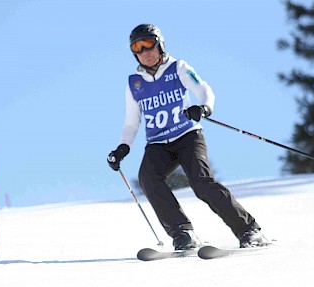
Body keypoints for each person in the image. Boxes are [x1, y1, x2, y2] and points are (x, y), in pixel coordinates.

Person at [107, 24, 268, 250]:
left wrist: (203, 108)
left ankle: (249, 230)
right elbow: (132, 122)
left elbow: (204, 90)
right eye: (137, 47)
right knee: (148, 178)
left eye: (148, 44)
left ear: (160, 44)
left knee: (201, 182)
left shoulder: (178, 67)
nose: (145, 51)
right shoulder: (134, 83)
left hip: (187, 135)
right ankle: (183, 233)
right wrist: (122, 148)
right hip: (158, 144)